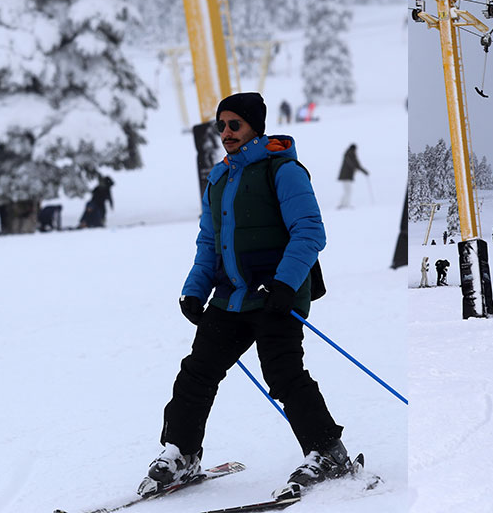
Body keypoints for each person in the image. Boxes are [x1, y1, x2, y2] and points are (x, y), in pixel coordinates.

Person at [146, 92, 348, 501]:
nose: (226, 133)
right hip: (231, 298)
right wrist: (194, 290)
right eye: (220, 125)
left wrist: (284, 285)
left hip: (275, 296)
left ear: (255, 125)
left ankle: (328, 452)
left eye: (234, 124)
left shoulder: (284, 171)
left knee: (284, 375)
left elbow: (310, 231)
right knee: (197, 372)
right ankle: (182, 452)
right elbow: (209, 241)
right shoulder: (219, 178)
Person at [336, 144, 368, 209]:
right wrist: (363, 171)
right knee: (348, 191)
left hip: (346, 176)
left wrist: (363, 171)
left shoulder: (349, 154)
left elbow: (356, 165)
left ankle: (343, 204)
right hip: (346, 176)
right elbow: (354, 165)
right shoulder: (350, 155)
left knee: (347, 191)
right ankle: (344, 205)